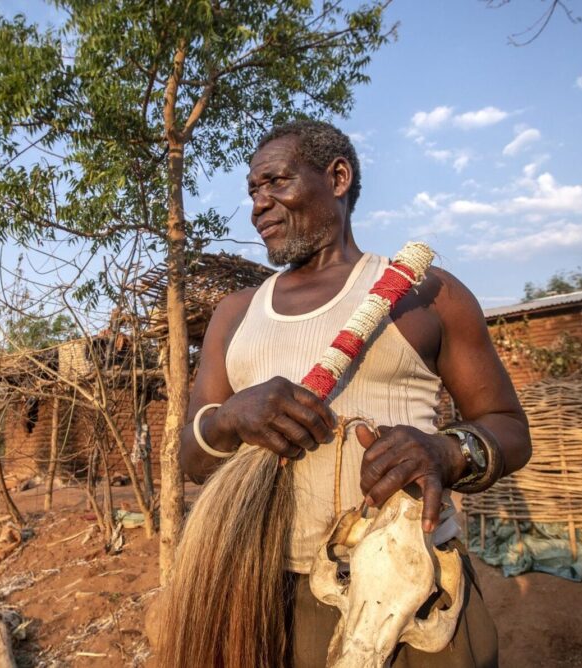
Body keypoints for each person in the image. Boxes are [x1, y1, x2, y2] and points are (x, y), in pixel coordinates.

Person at [179, 119, 531, 667]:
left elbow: (508, 426)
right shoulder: (235, 314)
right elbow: (192, 460)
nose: (259, 204)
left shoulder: (424, 295)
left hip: (407, 590)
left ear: (337, 177)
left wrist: (445, 451)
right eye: (253, 190)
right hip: (265, 595)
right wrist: (228, 419)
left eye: (275, 182)